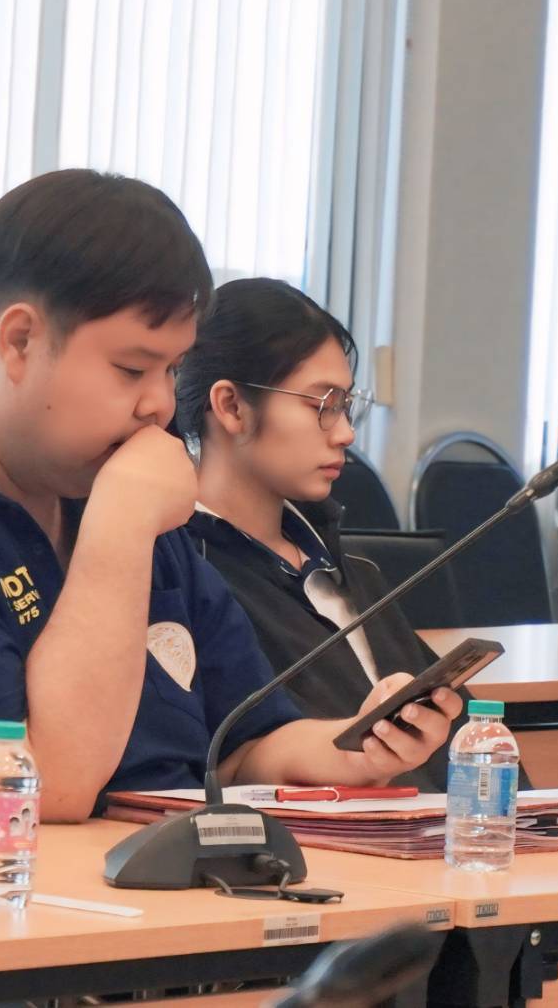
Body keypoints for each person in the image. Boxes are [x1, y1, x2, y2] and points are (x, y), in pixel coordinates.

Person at [0, 170, 462, 825]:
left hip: (154, 910)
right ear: (19, 342)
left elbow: (240, 746)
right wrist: (119, 528)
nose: (159, 405)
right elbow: (26, 800)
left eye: (173, 371)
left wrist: (354, 748)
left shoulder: (101, 477)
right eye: (132, 369)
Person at [174, 278, 467, 790]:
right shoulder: (183, 572)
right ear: (232, 406)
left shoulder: (348, 570)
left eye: (347, 405)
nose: (346, 433)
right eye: (322, 405)